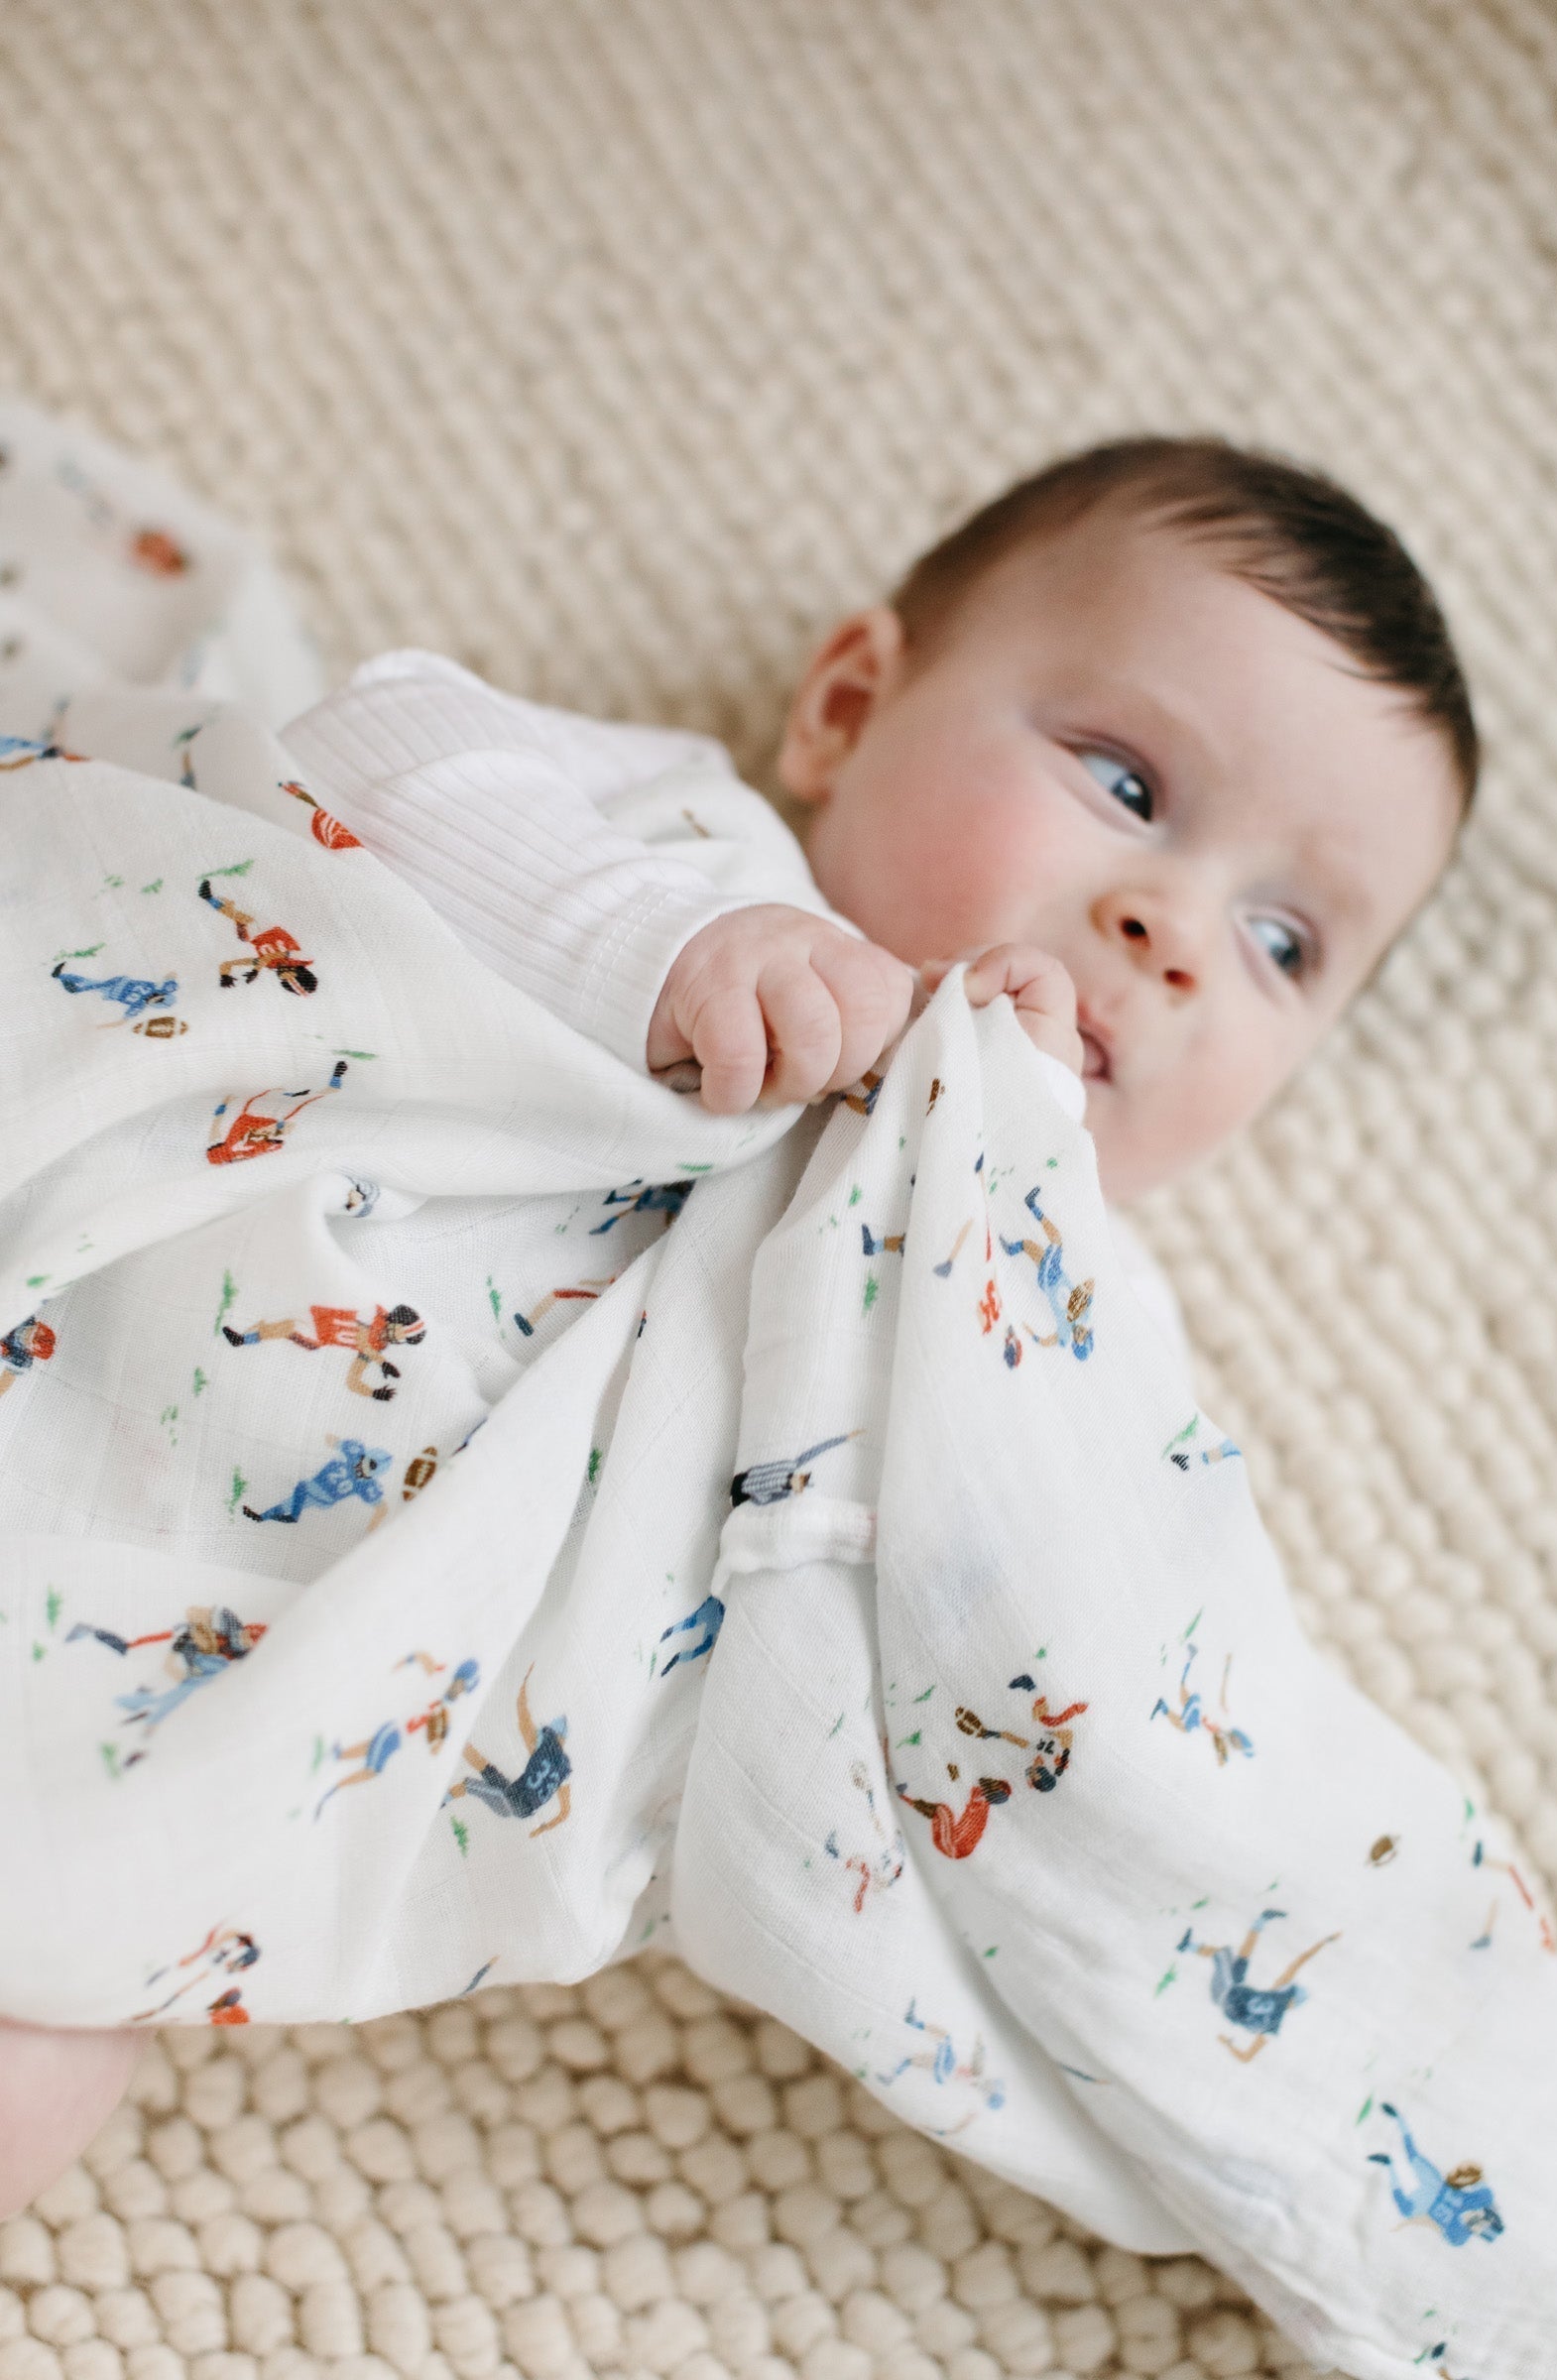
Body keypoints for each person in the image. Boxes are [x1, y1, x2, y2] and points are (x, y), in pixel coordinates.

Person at [0, 435, 1477, 2225]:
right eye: (1126, 780)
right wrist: (652, 944)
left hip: (235, 1655)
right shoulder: (689, 846)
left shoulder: (1065, 1319)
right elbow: (374, 745)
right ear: (847, 708)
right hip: (119, 1273)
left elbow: (1122, 1678)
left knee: (51, 2027)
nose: (1176, 934)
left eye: (1285, 943)